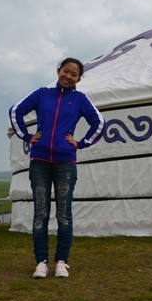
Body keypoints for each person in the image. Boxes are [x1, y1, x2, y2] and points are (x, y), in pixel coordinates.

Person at [9, 57, 105, 279]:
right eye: (65, 71)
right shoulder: (42, 94)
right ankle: (41, 262)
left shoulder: (80, 100)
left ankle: (62, 261)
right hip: (40, 162)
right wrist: (26, 135)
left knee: (64, 215)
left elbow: (99, 123)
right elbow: (15, 111)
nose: (68, 76)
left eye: (73, 74)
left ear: (79, 78)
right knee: (40, 214)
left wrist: (81, 143)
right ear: (58, 70)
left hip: (65, 164)